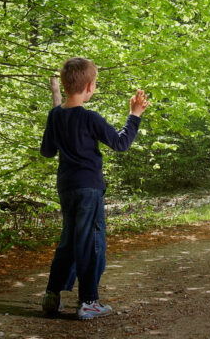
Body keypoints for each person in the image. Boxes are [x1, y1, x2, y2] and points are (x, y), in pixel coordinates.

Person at [39, 57, 149, 320]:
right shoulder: (90, 118)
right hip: (89, 189)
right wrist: (134, 116)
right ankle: (88, 301)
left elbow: (47, 151)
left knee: (68, 241)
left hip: (66, 188)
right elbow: (120, 143)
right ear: (89, 87)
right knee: (91, 242)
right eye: (95, 83)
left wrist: (60, 130)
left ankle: (52, 296)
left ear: (65, 85)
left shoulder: (55, 116)